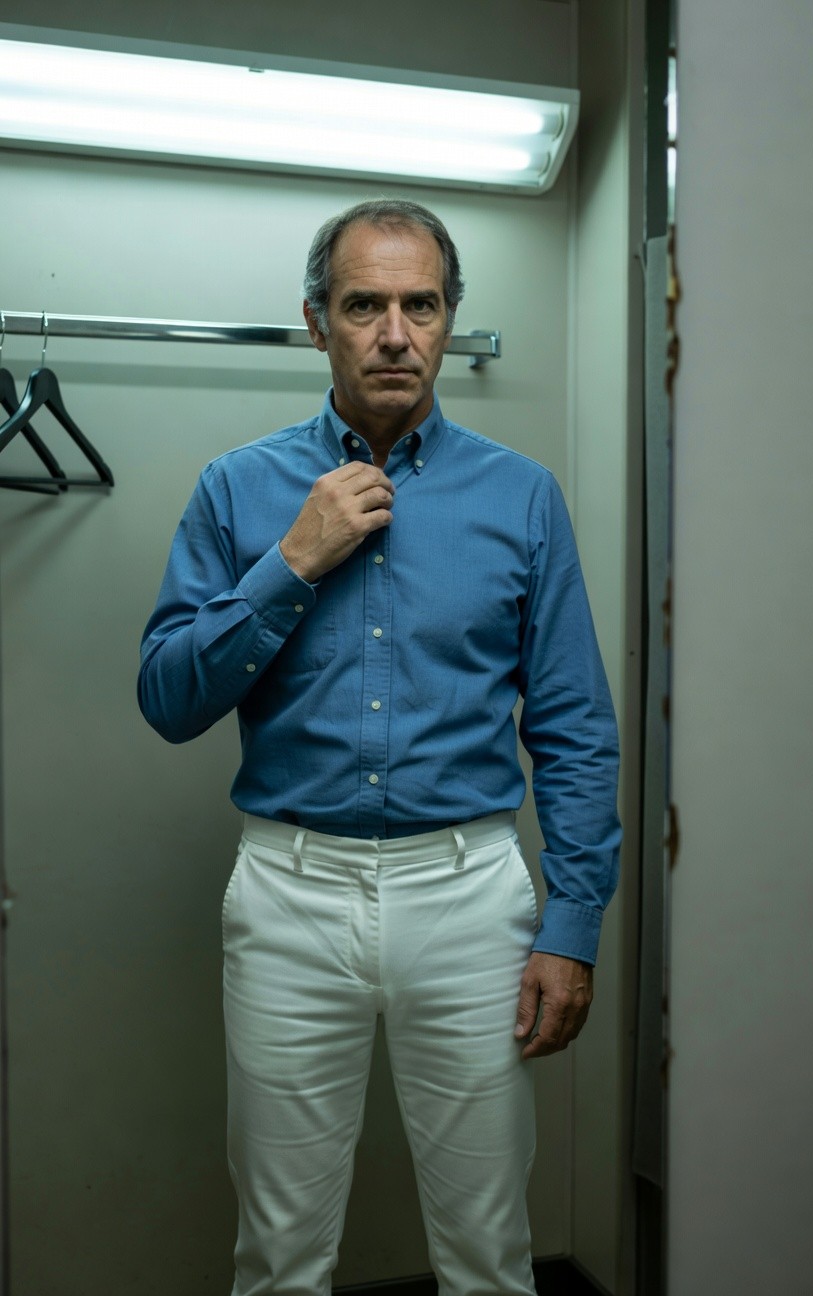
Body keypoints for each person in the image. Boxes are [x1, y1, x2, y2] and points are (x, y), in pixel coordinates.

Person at [138, 198, 621, 1296]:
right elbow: (167, 698)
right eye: (365, 305)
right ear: (318, 324)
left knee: (490, 1257)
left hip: (471, 899)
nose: (395, 333)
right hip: (288, 893)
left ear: (450, 320)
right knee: (278, 1259)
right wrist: (290, 562)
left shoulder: (522, 498)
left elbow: (577, 729)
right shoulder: (238, 489)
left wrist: (574, 924)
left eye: (422, 305)